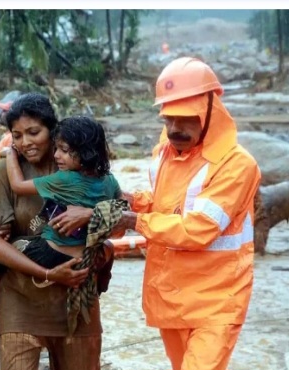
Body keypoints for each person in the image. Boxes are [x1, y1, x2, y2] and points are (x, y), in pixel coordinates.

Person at [112, 57, 262, 370]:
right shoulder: (164, 151)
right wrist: (133, 201)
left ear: (210, 110)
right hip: (172, 294)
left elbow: (200, 227)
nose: (174, 129)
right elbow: (168, 203)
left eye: (184, 119)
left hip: (217, 301)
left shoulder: (236, 165)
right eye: (168, 119)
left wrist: (136, 220)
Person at [0, 93, 105, 370]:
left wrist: (92, 216)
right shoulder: (5, 172)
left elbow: (115, 221)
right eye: (17, 135)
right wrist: (46, 273)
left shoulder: (85, 170)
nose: (25, 143)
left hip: (75, 302)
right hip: (20, 301)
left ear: (53, 129)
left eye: (34, 132)